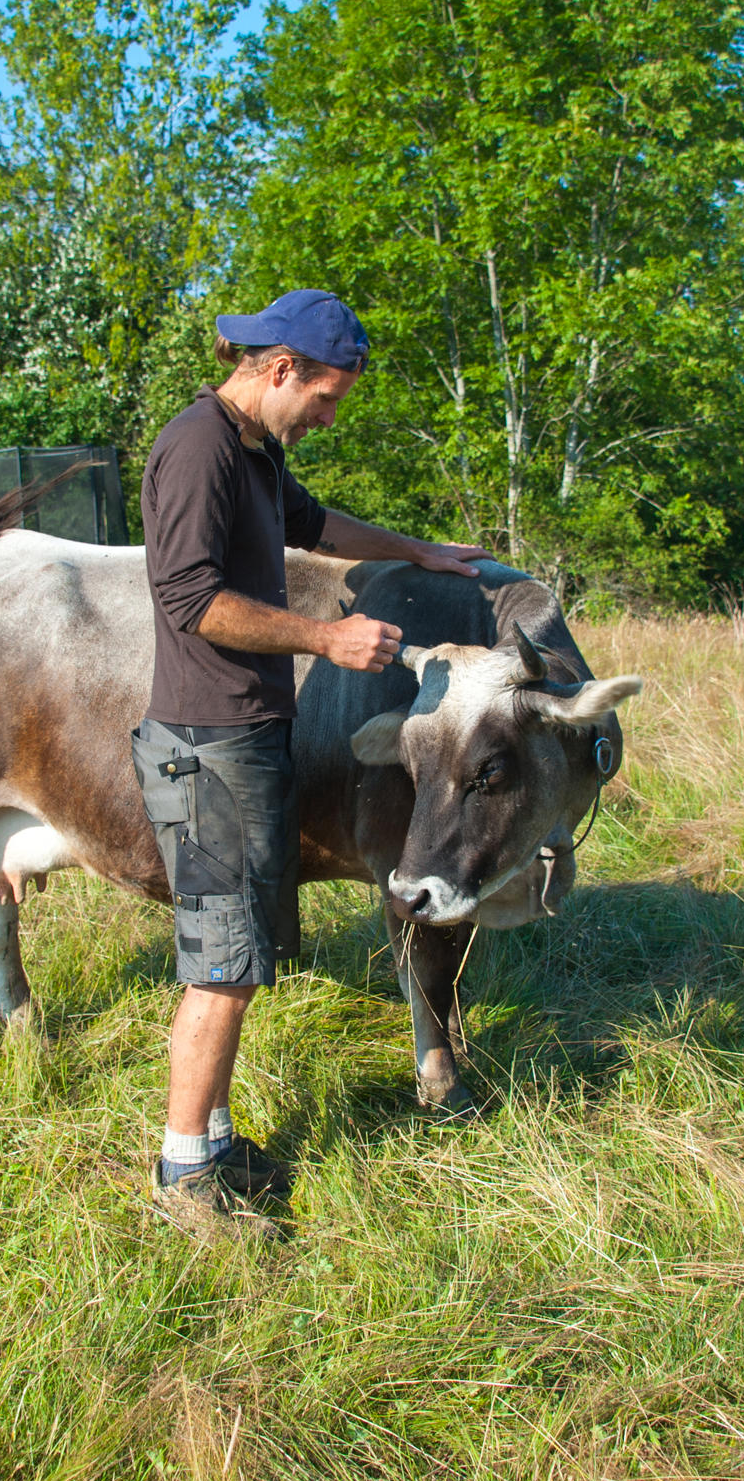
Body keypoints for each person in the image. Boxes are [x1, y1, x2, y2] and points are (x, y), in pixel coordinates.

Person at [133, 288, 489, 1230]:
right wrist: (324, 642)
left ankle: (209, 1143)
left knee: (241, 955)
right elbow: (190, 601)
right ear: (280, 369)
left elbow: (318, 528)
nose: (329, 416)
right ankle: (184, 1180)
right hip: (205, 745)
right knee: (221, 968)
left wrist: (422, 553)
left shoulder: (254, 448)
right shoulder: (198, 448)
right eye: (326, 397)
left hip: (247, 734)